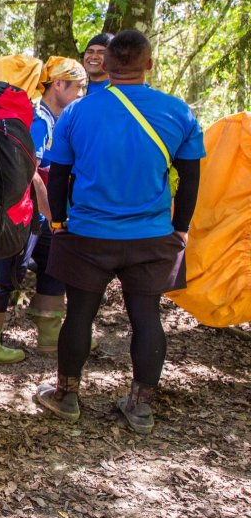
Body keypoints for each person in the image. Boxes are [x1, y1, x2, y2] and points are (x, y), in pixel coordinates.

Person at [34, 30, 204, 434]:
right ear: (148, 64)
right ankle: (140, 406)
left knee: (80, 313)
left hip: (89, 232)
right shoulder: (179, 112)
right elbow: (191, 176)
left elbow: (58, 174)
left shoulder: (78, 112)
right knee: (146, 316)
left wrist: (58, 223)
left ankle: (66, 395)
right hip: (152, 234)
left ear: (105, 67)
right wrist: (181, 229)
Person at [0, 55, 86, 364]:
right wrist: (51, 211)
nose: (81, 94)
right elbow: (30, 172)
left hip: (47, 214)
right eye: (77, 87)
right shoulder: (37, 119)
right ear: (59, 84)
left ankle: (50, 336)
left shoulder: (63, 120)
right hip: (24, 214)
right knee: (8, 272)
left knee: (55, 268)